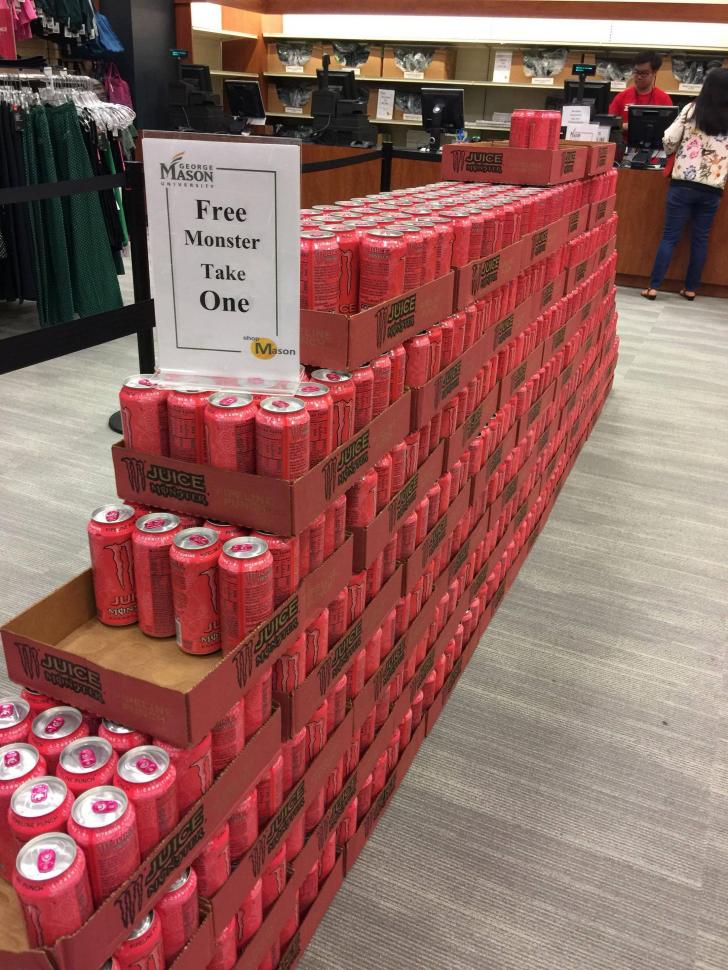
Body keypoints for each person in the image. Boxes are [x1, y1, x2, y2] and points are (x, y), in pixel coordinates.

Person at [642, 67, 728, 301]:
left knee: (670, 236)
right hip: (713, 188)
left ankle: (653, 287)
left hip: (683, 184)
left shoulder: (691, 110)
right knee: (701, 239)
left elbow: (669, 138)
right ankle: (690, 288)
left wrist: (674, 151)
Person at [609, 52, 673, 126]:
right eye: (636, 72)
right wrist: (624, 126)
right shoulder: (621, 97)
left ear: (654, 73)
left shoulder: (664, 99)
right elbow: (609, 124)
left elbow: (670, 127)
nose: (639, 77)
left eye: (644, 73)